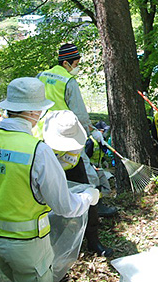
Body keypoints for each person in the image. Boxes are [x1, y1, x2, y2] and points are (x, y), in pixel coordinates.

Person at [0, 77, 101, 282]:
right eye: (40, 109)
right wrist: (88, 197)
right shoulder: (38, 150)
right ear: (32, 112)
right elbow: (65, 207)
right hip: (27, 245)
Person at [43, 110, 113, 257]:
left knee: (90, 201)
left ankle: (93, 241)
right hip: (46, 168)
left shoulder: (74, 132)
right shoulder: (38, 133)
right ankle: (57, 243)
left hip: (72, 168)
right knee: (49, 205)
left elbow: (73, 158)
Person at [35, 43, 105, 147]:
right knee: (80, 161)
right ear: (65, 63)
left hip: (39, 132)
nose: (77, 68)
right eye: (76, 64)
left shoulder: (41, 76)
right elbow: (79, 113)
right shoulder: (69, 81)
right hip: (62, 133)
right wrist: (92, 131)